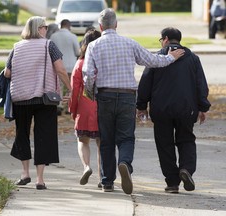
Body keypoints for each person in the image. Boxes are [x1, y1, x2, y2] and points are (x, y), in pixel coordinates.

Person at [83, 8, 185, 194]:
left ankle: (107, 181)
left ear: (100, 26)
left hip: (104, 95)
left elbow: (88, 74)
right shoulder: (129, 43)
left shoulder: (93, 46)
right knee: (126, 137)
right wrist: (170, 57)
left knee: (106, 139)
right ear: (116, 24)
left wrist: (90, 92)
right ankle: (125, 164)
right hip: (127, 96)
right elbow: (152, 60)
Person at [136, 27, 211, 193]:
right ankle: (186, 169)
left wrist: (141, 106)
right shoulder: (193, 59)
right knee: (186, 140)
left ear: (166, 39)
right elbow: (201, 85)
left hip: (161, 109)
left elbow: (145, 84)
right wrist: (202, 107)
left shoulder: (156, 58)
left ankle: (172, 182)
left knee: (164, 144)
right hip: (187, 109)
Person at [4, 16, 71, 190]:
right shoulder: (49, 45)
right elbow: (61, 69)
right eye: (45, 27)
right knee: (44, 136)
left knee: (22, 134)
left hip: (21, 98)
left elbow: (7, 73)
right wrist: (70, 88)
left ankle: (25, 173)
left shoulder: (16, 47)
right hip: (44, 98)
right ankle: (40, 179)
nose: (47, 30)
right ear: (38, 29)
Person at [68, 30, 102, 188]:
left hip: (85, 106)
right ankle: (104, 177)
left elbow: (75, 90)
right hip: (102, 106)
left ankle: (86, 166)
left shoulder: (80, 64)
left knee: (82, 141)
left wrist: (73, 110)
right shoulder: (103, 62)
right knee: (102, 144)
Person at [50, 19, 80, 114]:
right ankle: (68, 106)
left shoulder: (53, 36)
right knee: (70, 86)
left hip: (58, 65)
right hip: (71, 65)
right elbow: (77, 52)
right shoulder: (73, 36)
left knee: (59, 86)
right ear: (69, 26)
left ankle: (59, 105)